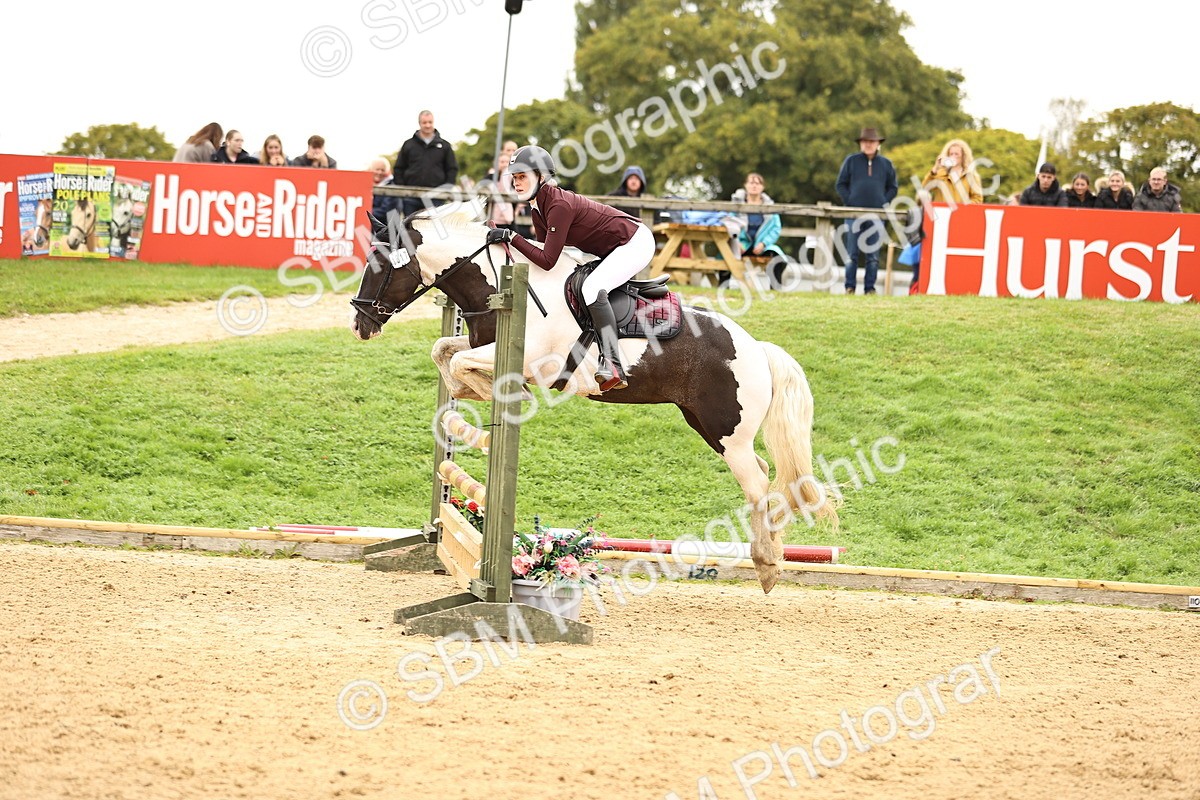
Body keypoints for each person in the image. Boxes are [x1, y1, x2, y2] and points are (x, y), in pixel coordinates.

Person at [485, 145, 653, 392]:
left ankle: (613, 363)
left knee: (592, 287)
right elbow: (541, 258)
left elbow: (547, 260)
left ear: (541, 177)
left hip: (635, 242)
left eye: (524, 177)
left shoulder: (558, 206)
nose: (517, 183)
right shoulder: (537, 208)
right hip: (615, 247)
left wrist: (511, 237)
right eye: (515, 178)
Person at [835, 127, 898, 295]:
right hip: (853, 214)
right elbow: (840, 184)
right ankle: (850, 287)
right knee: (851, 253)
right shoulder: (851, 161)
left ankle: (870, 288)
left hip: (877, 214)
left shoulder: (886, 164)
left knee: (873, 255)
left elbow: (893, 187)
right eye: (865, 142)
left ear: (878, 144)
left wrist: (883, 202)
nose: (868, 145)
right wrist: (850, 201)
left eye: (871, 142)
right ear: (860, 144)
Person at [726, 172, 786, 287]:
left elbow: (776, 228)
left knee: (778, 258)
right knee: (725, 254)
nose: (754, 186)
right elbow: (729, 223)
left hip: (762, 247)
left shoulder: (770, 207)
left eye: (757, 183)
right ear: (745, 185)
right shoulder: (736, 205)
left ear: (762, 187)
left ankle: (776, 289)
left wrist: (764, 243)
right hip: (741, 246)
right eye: (751, 182)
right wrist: (736, 243)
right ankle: (723, 286)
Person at [394, 110, 458, 217]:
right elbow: (399, 168)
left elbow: (452, 169)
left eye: (430, 122)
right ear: (419, 123)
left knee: (434, 228)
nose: (427, 125)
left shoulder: (445, 146)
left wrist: (446, 189)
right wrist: (403, 188)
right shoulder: (408, 144)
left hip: (436, 197)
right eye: (424, 122)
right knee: (410, 229)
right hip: (411, 196)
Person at [922, 139, 983, 205]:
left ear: (963, 156)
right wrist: (935, 168)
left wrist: (963, 207)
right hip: (942, 213)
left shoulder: (971, 176)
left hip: (962, 214)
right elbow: (924, 188)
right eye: (951, 154)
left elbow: (977, 199)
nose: (953, 156)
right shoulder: (940, 173)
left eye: (956, 154)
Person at [369, 157, 400, 225]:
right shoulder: (365, 185)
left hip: (385, 229)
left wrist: (364, 212)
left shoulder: (392, 188)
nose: (379, 172)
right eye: (377, 169)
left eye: (383, 170)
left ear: (387, 171)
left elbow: (385, 212)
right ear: (370, 170)